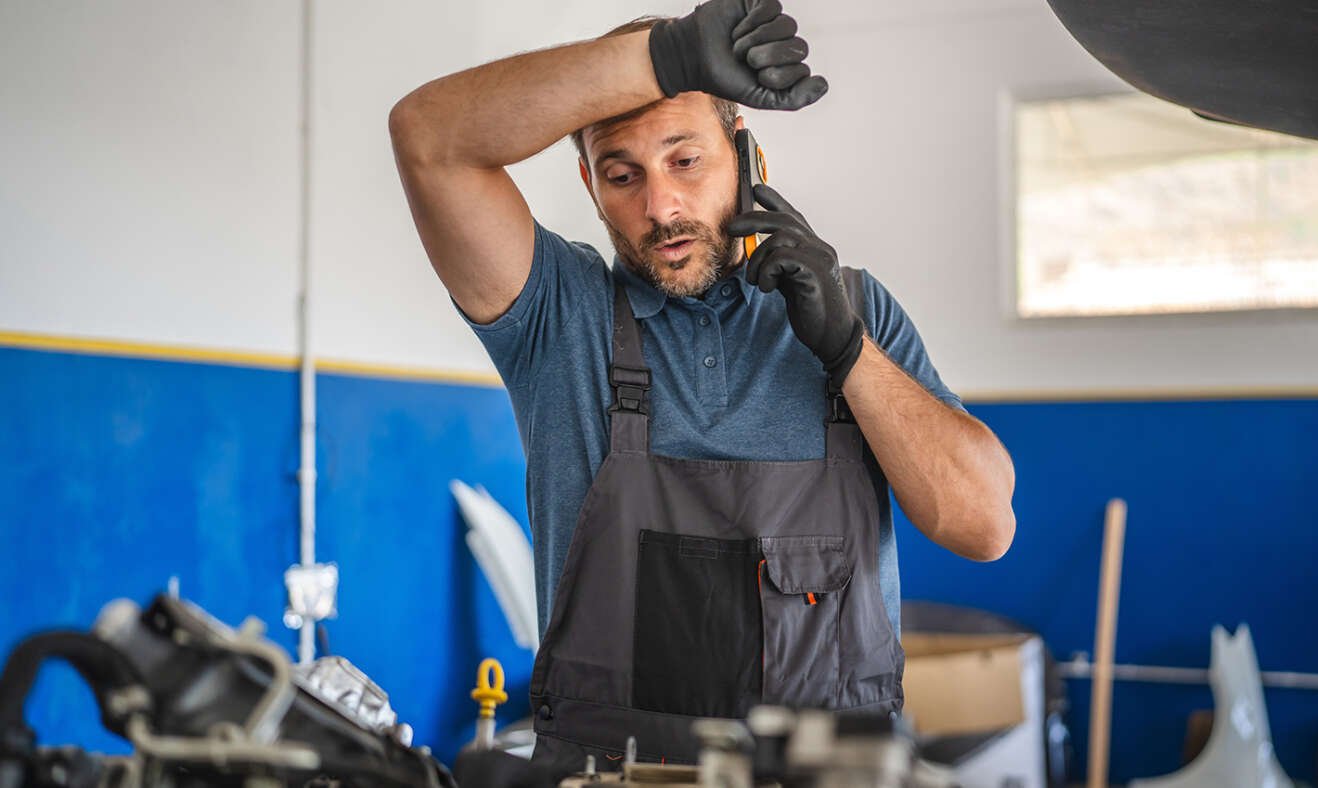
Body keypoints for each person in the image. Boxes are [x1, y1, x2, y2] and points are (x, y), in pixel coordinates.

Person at [388, 0, 1016, 771]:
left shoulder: (856, 308)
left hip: (831, 775)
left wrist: (849, 350)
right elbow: (429, 137)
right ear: (588, 183)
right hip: (610, 776)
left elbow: (983, 526)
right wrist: (673, 55)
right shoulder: (561, 318)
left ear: (749, 160)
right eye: (623, 175)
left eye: (686, 161)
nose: (660, 207)